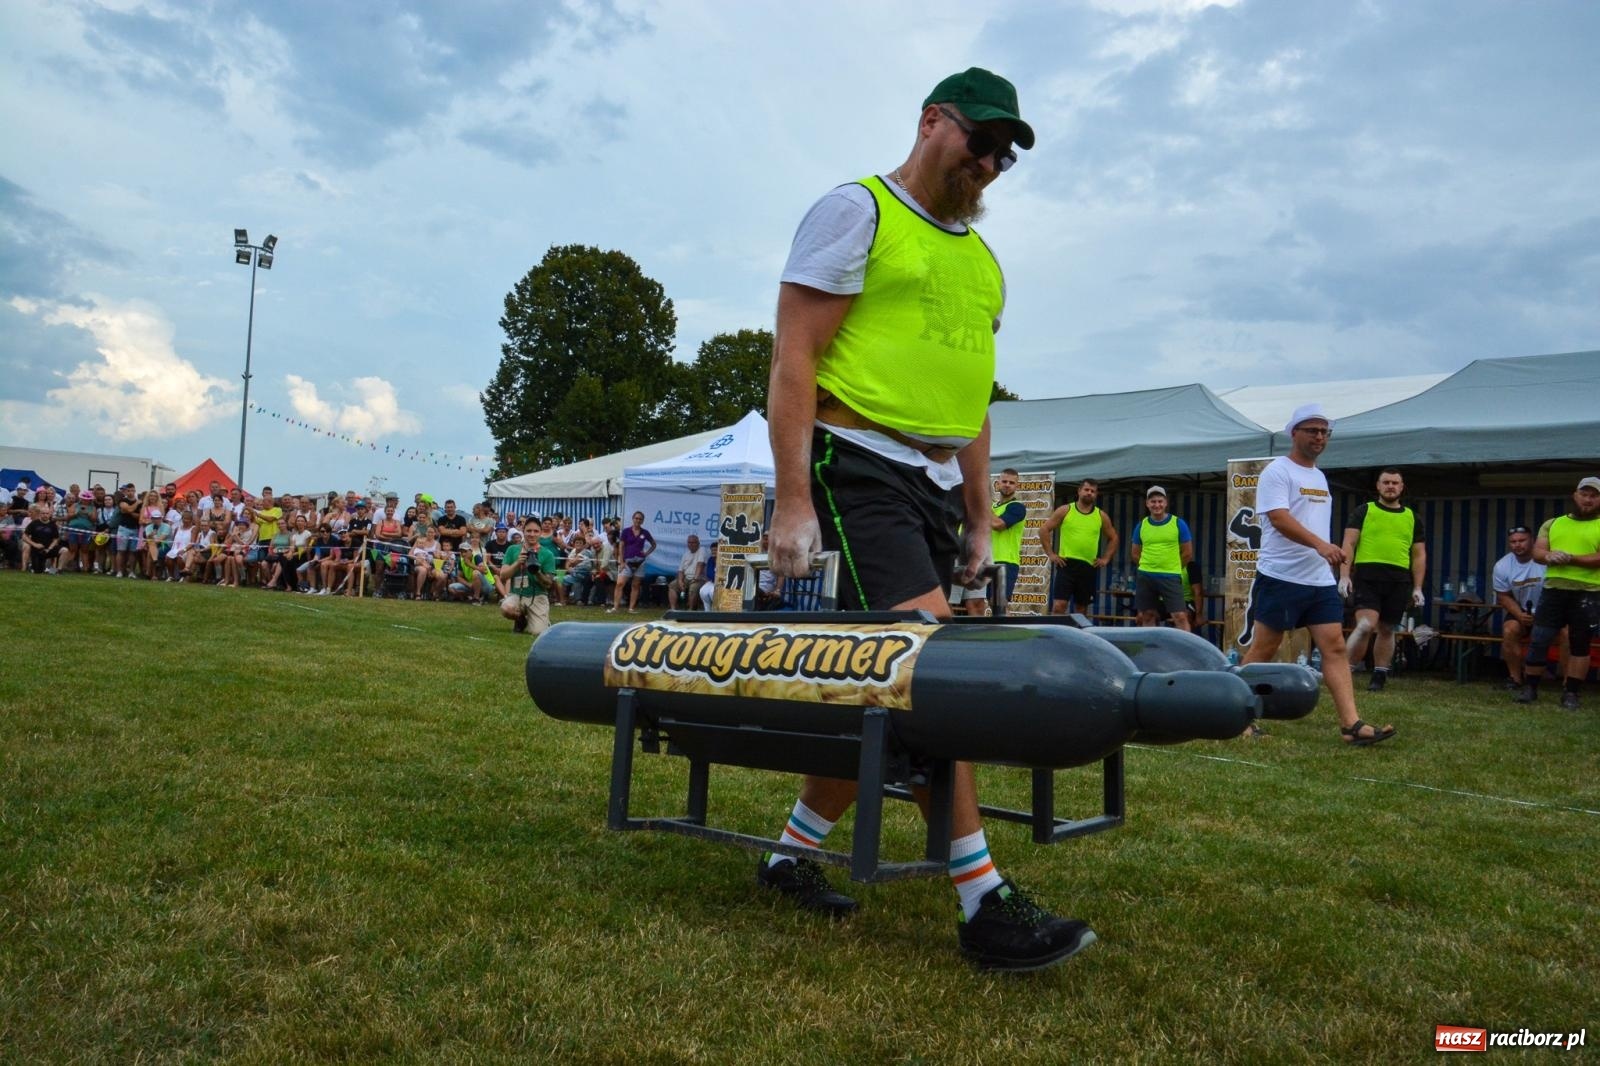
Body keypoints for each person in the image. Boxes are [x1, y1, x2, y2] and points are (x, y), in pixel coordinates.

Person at [763, 67, 1092, 971]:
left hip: (937, 485)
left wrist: (980, 518)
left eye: (1003, 155)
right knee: (934, 675)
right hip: (857, 464)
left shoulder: (984, 265)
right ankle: (983, 900)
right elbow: (795, 357)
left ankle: (790, 854)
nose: (987, 162)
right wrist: (794, 500)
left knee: (885, 684)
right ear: (931, 121)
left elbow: (972, 400)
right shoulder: (857, 211)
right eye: (978, 140)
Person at [1242, 404, 1396, 746]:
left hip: (1317, 579)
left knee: (1336, 646)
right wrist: (1321, 546)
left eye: (1325, 432)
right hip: (1281, 576)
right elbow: (1279, 519)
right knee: (1265, 647)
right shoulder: (1277, 472)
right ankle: (1239, 715)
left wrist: (1325, 553)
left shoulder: (1319, 476)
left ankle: (1351, 726)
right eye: (1312, 430)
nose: (1320, 437)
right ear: (1294, 432)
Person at [1514, 476, 1600, 710]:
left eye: (1594, 496)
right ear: (1575, 495)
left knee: (1580, 644)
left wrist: (1570, 558)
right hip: (1553, 590)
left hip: (1588, 592)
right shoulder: (1553, 523)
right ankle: (1530, 688)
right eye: (1585, 494)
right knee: (1539, 639)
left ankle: (1571, 692)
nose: (1588, 499)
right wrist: (1549, 556)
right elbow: (1538, 552)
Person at [1338, 469, 1427, 692]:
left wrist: (1418, 587)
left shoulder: (1412, 517)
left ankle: (1379, 676)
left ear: (1401, 487)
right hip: (1368, 577)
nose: (1390, 486)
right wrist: (1344, 575)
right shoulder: (1364, 511)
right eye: (1386, 482)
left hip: (1399, 580)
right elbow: (1348, 544)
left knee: (1387, 629)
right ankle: (1344, 672)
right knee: (1365, 626)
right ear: (1378, 486)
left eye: (1395, 483)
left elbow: (1419, 555)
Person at [1492, 525, 1562, 689]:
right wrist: (1520, 614)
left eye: (1522, 540)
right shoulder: (1502, 566)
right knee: (1510, 630)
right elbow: (1503, 596)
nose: (1518, 545)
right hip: (1523, 611)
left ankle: (1567, 684)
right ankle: (1515, 679)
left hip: (1551, 611)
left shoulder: (1547, 560)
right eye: (1513, 542)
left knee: (1567, 634)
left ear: (1532, 540)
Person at [1042, 478, 1118, 617]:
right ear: (1079, 491)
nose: (1089, 493)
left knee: (1081, 609)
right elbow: (1044, 529)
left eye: (1092, 491)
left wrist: (1106, 559)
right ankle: (1055, 637)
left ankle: (1078, 638)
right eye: (1086, 490)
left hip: (1088, 566)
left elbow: (1114, 538)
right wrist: (1051, 554)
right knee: (1059, 606)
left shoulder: (1101, 515)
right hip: (1066, 565)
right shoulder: (1066, 510)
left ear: (1096, 494)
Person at [1131, 486, 1192, 632]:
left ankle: (1188, 652)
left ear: (1165, 503)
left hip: (1170, 576)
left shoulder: (1178, 523)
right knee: (1147, 615)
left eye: (1160, 501)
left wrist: (1174, 567)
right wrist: (1148, 566)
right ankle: (1150, 651)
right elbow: (1134, 553)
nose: (1156, 505)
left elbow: (1187, 553)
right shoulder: (1141, 525)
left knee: (1180, 616)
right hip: (1146, 576)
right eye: (1153, 501)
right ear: (1147, 504)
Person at [608, 511, 656, 614]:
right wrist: (621, 561)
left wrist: (646, 553)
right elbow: (621, 546)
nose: (638, 520)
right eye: (636, 518)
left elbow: (653, 544)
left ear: (642, 521)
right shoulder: (626, 531)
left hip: (640, 561)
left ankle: (631, 608)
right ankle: (615, 607)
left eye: (640, 519)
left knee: (636, 585)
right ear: (633, 519)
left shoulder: (645, 532)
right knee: (620, 583)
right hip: (627, 561)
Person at [667, 534, 708, 611]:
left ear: (698, 543)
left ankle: (691, 609)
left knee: (693, 588)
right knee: (672, 585)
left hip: (699, 578)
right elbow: (680, 570)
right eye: (689, 542)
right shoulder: (686, 554)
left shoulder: (702, 550)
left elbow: (700, 564)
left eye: (693, 542)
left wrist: (695, 577)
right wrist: (680, 581)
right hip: (686, 577)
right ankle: (673, 609)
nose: (691, 544)